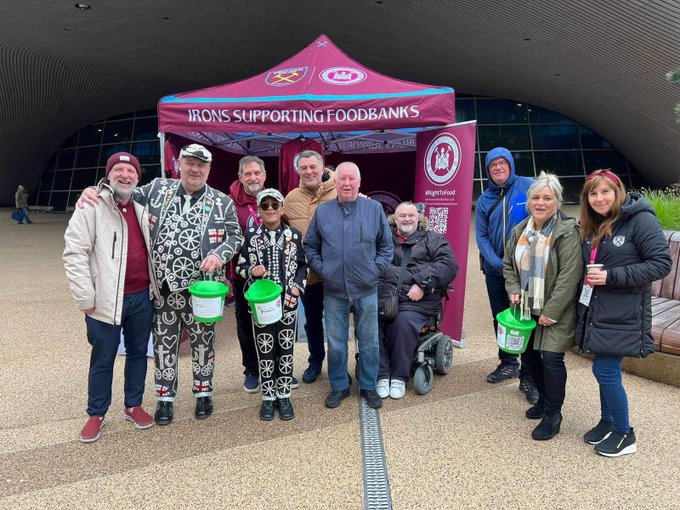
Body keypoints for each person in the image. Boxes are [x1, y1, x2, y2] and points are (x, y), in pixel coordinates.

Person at [79, 143, 243, 425]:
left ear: (209, 169)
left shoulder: (222, 201)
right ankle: (165, 398)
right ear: (179, 164)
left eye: (201, 165)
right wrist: (95, 188)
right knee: (164, 346)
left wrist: (219, 254)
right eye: (189, 163)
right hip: (163, 290)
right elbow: (121, 192)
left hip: (202, 291)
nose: (195, 169)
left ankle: (203, 392)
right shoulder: (156, 189)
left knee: (204, 343)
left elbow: (235, 236)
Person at [577, 169, 671, 457]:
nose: (599, 198)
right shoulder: (596, 224)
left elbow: (661, 264)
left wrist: (612, 276)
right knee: (605, 368)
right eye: (593, 193)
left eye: (605, 191)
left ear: (618, 192)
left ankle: (624, 433)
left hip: (624, 310)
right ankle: (608, 422)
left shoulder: (639, 220)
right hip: (600, 309)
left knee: (604, 369)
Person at [63, 152, 157, 443]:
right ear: (108, 175)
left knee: (139, 353)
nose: (125, 175)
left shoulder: (142, 209)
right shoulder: (90, 206)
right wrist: (85, 298)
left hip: (141, 297)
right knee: (103, 358)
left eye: (130, 171)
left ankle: (133, 404)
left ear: (138, 179)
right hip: (104, 301)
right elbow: (75, 253)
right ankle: (96, 413)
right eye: (118, 169)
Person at [305, 162, 393, 409]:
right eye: (342, 179)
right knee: (335, 341)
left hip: (366, 289)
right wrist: (323, 269)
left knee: (369, 340)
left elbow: (387, 246)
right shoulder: (323, 212)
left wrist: (375, 270)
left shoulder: (374, 209)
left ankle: (368, 385)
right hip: (334, 290)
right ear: (335, 182)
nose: (346, 183)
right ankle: (339, 385)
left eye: (351, 179)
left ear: (359, 182)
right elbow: (310, 245)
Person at [502, 172, 583, 440]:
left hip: (554, 310)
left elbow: (569, 277)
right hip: (526, 308)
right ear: (529, 201)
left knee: (551, 358)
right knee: (529, 356)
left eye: (547, 198)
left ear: (557, 201)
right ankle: (543, 402)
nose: (540, 202)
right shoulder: (520, 230)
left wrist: (551, 311)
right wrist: (513, 290)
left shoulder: (567, 232)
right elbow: (508, 265)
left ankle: (553, 414)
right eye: (536, 197)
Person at [236, 188, 307, 421]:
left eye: (274, 205)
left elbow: (303, 265)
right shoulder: (252, 235)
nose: (269, 209)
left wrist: (296, 287)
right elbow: (240, 267)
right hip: (262, 305)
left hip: (287, 302)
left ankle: (284, 395)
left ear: (282, 208)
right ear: (258, 210)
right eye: (264, 206)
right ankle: (268, 397)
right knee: (265, 349)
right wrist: (251, 271)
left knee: (285, 350)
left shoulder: (294, 235)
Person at [474, 147, 539, 403]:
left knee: (526, 320)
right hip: (495, 271)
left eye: (502, 163)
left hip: (527, 272)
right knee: (501, 318)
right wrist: (499, 265)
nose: (498, 168)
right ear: (488, 170)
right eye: (493, 165)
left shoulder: (527, 186)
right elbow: (480, 236)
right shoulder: (484, 199)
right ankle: (508, 362)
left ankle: (529, 375)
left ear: (511, 164)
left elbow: (543, 218)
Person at [377, 202, 458, 399]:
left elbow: (448, 264)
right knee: (368, 321)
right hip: (387, 296)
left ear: (419, 218)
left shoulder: (433, 239)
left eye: (411, 216)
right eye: (402, 216)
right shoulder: (383, 240)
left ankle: (398, 376)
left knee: (401, 323)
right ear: (394, 219)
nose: (407, 219)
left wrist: (422, 283)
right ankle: (381, 375)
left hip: (418, 299)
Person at [284, 150, 337, 384]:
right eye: (303, 168)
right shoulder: (291, 199)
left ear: (322, 167)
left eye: (312, 166)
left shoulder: (340, 192)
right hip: (308, 274)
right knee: (312, 321)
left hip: (335, 274)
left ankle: (338, 365)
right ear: (298, 171)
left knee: (336, 321)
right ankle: (315, 361)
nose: (308, 171)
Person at [228, 155, 268, 393]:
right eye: (248, 173)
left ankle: (272, 367)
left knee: (270, 322)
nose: (253, 178)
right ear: (240, 177)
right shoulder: (229, 203)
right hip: (243, 278)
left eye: (257, 173)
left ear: (264, 176)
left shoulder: (273, 198)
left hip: (272, 278)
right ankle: (252, 369)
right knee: (245, 325)